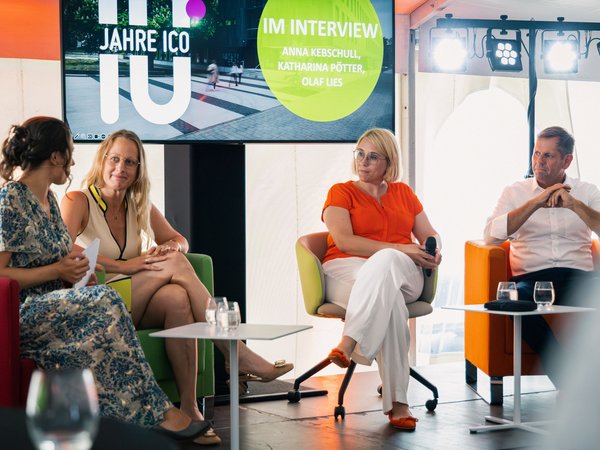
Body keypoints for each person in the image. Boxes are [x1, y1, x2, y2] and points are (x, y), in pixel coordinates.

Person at [60, 129, 294, 445]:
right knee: (176, 270)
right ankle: (239, 356)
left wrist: (169, 249)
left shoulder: (138, 203)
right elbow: (64, 251)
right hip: (101, 303)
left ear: (138, 170)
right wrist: (125, 266)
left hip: (137, 302)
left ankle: (189, 408)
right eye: (115, 159)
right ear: (102, 160)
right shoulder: (78, 200)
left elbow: (179, 240)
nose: (121, 168)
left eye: (130, 162)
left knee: (177, 297)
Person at [0, 117, 208, 442]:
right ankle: (156, 412)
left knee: (136, 300)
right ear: (54, 156)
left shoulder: (50, 202)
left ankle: (147, 417)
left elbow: (61, 258)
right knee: (109, 300)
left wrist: (83, 271)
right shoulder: (11, 199)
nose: (71, 162)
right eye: (68, 153)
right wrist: (58, 272)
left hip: (61, 301)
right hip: (29, 312)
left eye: (129, 162)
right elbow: (1, 276)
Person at [320, 128, 441, 431]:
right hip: (345, 270)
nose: (363, 161)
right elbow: (345, 242)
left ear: (389, 162)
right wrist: (400, 247)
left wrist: (435, 247)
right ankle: (399, 403)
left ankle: (350, 343)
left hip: (404, 273)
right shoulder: (341, 191)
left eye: (373, 156)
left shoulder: (404, 193)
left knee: (388, 262)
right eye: (360, 153)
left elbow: (429, 233)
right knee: (392, 306)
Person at [484, 126, 600, 388]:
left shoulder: (587, 191)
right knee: (513, 302)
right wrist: (534, 203)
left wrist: (576, 206)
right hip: (531, 278)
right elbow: (491, 235)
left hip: (578, 277)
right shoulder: (515, 192)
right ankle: (567, 380)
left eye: (547, 156)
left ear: (566, 160)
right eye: (536, 154)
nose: (539, 162)